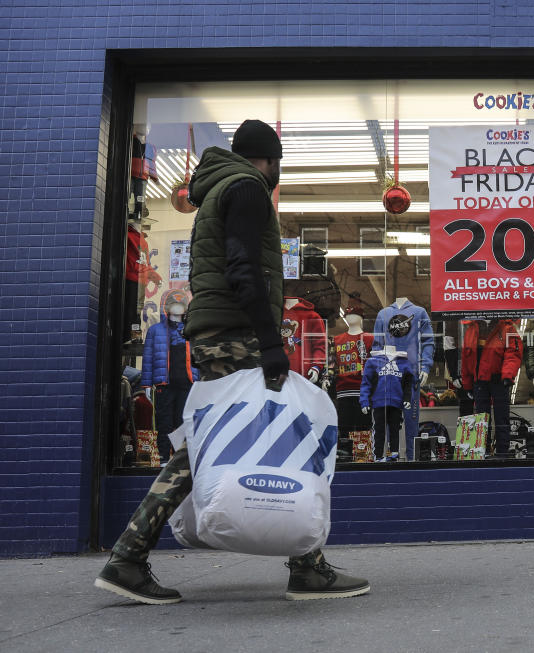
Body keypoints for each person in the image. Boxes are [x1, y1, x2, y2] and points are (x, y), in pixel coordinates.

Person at [95, 119, 369, 604]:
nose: (276, 173)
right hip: (237, 333)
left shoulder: (218, 190)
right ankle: (307, 566)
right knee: (293, 424)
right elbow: (243, 266)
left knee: (204, 442)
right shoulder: (245, 188)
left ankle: (128, 556)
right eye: (277, 163)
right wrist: (270, 342)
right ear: (269, 159)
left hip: (216, 331)